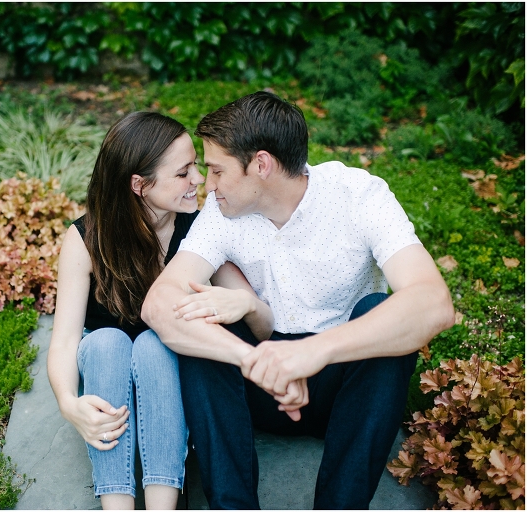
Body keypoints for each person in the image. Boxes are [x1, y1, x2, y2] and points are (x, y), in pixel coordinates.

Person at [141, 91, 456, 509]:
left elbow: (434, 302)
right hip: (254, 384)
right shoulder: (220, 213)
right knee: (200, 316)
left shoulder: (358, 195)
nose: (207, 184)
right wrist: (252, 359)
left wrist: (312, 352)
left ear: (262, 165)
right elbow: (158, 304)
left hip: (343, 388)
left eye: (216, 170)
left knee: (380, 312)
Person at [46, 111, 275, 510]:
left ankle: (162, 503)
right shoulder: (86, 239)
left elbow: (263, 321)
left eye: (196, 168)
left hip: (167, 375)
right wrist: (69, 403)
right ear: (140, 185)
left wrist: (248, 303)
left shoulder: (199, 229)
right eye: (183, 172)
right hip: (107, 375)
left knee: (155, 343)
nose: (199, 180)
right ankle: (116, 504)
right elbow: (65, 341)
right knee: (104, 341)